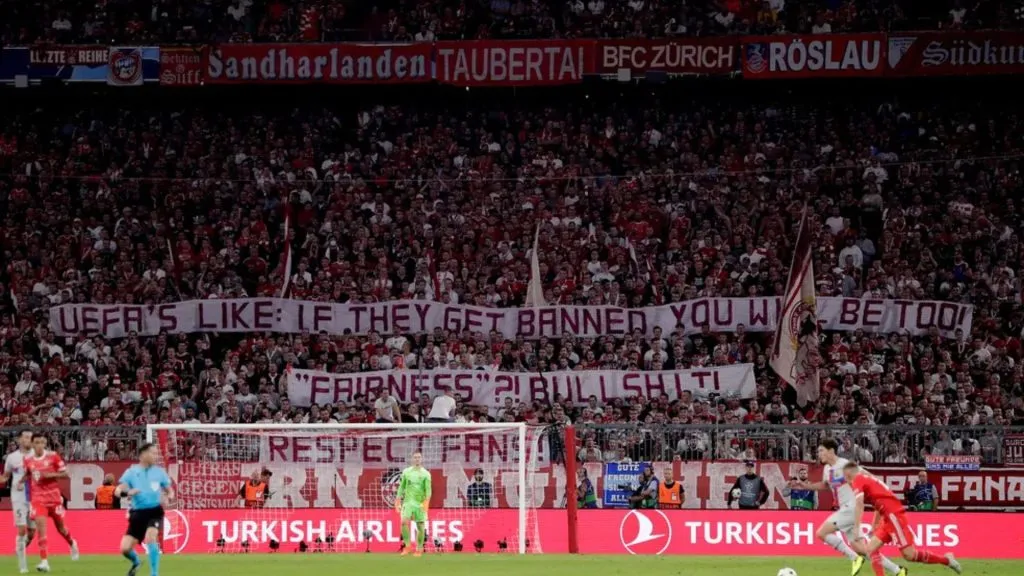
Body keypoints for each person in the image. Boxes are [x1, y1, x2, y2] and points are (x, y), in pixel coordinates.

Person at [791, 439, 901, 575]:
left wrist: (883, 488)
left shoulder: (845, 465)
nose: (818, 454)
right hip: (844, 509)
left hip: (851, 507)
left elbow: (867, 475)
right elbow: (825, 485)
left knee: (821, 533)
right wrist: (805, 486)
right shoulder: (827, 469)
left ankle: (854, 558)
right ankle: (897, 570)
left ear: (831, 451)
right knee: (863, 549)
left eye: (821, 451)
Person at [844, 462, 961, 576]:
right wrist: (873, 526)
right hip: (887, 518)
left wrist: (856, 527)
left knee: (909, 555)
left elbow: (859, 504)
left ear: (850, 474)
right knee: (870, 549)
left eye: (846, 478)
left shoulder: (858, 479)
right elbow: (878, 503)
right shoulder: (870, 481)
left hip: (894, 517)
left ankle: (947, 560)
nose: (847, 482)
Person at [19, 433, 78, 573]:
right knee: (41, 529)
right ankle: (44, 562)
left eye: (42, 442)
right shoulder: (27, 460)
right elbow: (29, 473)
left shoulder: (53, 457)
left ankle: (72, 543)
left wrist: (50, 475)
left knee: (61, 529)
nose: (40, 445)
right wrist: (21, 482)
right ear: (32, 444)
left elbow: (66, 474)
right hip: (38, 499)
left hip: (54, 499)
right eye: (37, 442)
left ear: (45, 444)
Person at [116, 443, 173, 576]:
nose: (156, 456)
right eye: (153, 453)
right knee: (125, 549)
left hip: (154, 512)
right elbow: (117, 491)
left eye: (156, 453)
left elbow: (170, 490)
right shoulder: (131, 472)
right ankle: (136, 562)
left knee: (151, 537)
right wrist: (128, 493)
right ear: (143, 455)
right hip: (137, 514)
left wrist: (169, 497)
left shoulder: (159, 472)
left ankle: (154, 574)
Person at [2, 430, 37, 573]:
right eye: (26, 437)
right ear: (20, 440)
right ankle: (23, 566)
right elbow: (5, 477)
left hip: (34, 497)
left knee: (32, 532)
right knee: (21, 529)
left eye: (30, 437)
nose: (28, 439)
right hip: (18, 498)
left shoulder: (38, 455)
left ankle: (20, 547)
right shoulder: (12, 458)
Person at [394, 452, 432, 556]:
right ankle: (407, 547)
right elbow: (402, 486)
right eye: (415, 457)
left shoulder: (426, 474)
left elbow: (428, 490)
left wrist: (426, 503)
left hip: (420, 503)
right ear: (412, 459)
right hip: (408, 502)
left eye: (419, 457)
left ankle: (419, 549)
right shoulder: (406, 472)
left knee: (420, 526)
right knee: (403, 522)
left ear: (421, 459)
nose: (417, 459)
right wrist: (397, 500)